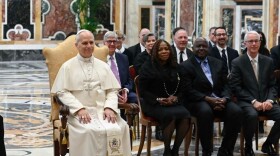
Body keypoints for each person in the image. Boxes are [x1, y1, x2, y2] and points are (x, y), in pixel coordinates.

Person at [51, 29, 131, 156]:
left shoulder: (103, 66)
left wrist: (109, 107)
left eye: (91, 43)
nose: (88, 46)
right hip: (80, 113)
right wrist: (79, 109)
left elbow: (112, 90)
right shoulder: (67, 67)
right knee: (87, 132)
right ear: (76, 45)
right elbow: (61, 92)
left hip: (103, 111)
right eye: (84, 43)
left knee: (121, 127)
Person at [180, 37, 242, 156]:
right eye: (198, 46)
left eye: (204, 46)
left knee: (236, 111)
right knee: (205, 111)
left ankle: (225, 149)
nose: (201, 48)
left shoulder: (218, 63)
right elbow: (187, 90)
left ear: (208, 48)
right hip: (198, 101)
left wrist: (225, 98)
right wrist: (208, 99)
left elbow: (226, 85)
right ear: (192, 48)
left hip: (219, 99)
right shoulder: (185, 66)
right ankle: (207, 151)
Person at [229, 31, 280, 156]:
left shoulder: (268, 61)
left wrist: (269, 100)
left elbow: (272, 85)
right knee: (251, 115)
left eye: (256, 41)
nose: (254, 44)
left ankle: (268, 144)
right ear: (245, 43)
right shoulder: (237, 62)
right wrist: (253, 101)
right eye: (250, 41)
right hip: (247, 102)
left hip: (266, 101)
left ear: (260, 43)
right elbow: (236, 87)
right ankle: (248, 147)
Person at [139, 39, 190, 156]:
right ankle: (167, 151)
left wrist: (176, 97)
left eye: (166, 49)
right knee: (170, 116)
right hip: (152, 103)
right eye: (160, 49)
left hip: (172, 102)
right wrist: (158, 99)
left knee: (185, 115)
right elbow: (143, 91)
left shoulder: (175, 66)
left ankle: (175, 150)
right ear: (155, 52)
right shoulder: (147, 66)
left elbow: (184, 86)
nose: (164, 51)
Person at [103, 31, 138, 120]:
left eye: (114, 41)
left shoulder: (123, 58)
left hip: (122, 91)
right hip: (106, 92)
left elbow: (129, 79)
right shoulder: (99, 58)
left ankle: (129, 124)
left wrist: (126, 90)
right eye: (109, 41)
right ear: (104, 43)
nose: (112, 44)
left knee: (136, 98)